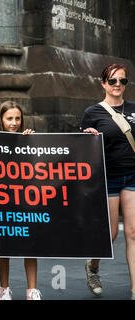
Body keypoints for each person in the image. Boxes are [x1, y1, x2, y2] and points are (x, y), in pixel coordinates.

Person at [81, 63, 135, 300]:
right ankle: (92, 266)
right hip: (108, 177)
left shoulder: (134, 109)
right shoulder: (92, 113)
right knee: (111, 233)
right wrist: (87, 138)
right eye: (112, 81)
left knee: (133, 233)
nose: (117, 86)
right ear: (103, 83)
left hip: (132, 175)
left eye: (122, 81)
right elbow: (81, 150)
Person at [0, 101, 40, 300]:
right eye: (9, 119)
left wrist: (32, 141)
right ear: (1, 119)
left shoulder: (27, 138)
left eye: (17, 118)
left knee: (30, 246)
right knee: (4, 247)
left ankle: (32, 290)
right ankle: (4, 289)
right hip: (1, 200)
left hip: (24, 200)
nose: (14, 123)